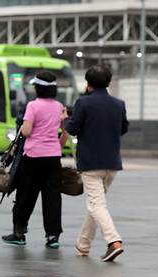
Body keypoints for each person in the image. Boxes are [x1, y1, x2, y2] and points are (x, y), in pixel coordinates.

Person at [65, 65, 128, 262]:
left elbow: (73, 129)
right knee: (95, 205)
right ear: (109, 83)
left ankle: (114, 241)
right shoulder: (119, 104)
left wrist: (66, 119)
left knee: (96, 205)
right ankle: (83, 244)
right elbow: (123, 129)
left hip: (91, 163)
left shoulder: (83, 103)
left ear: (88, 83)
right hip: (112, 163)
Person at [1, 71, 69, 249]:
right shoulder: (59, 106)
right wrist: (57, 145)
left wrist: (24, 124)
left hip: (33, 157)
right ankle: (53, 236)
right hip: (53, 157)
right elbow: (65, 133)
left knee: (26, 195)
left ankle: (19, 233)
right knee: (52, 197)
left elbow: (27, 131)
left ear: (37, 88)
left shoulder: (32, 106)